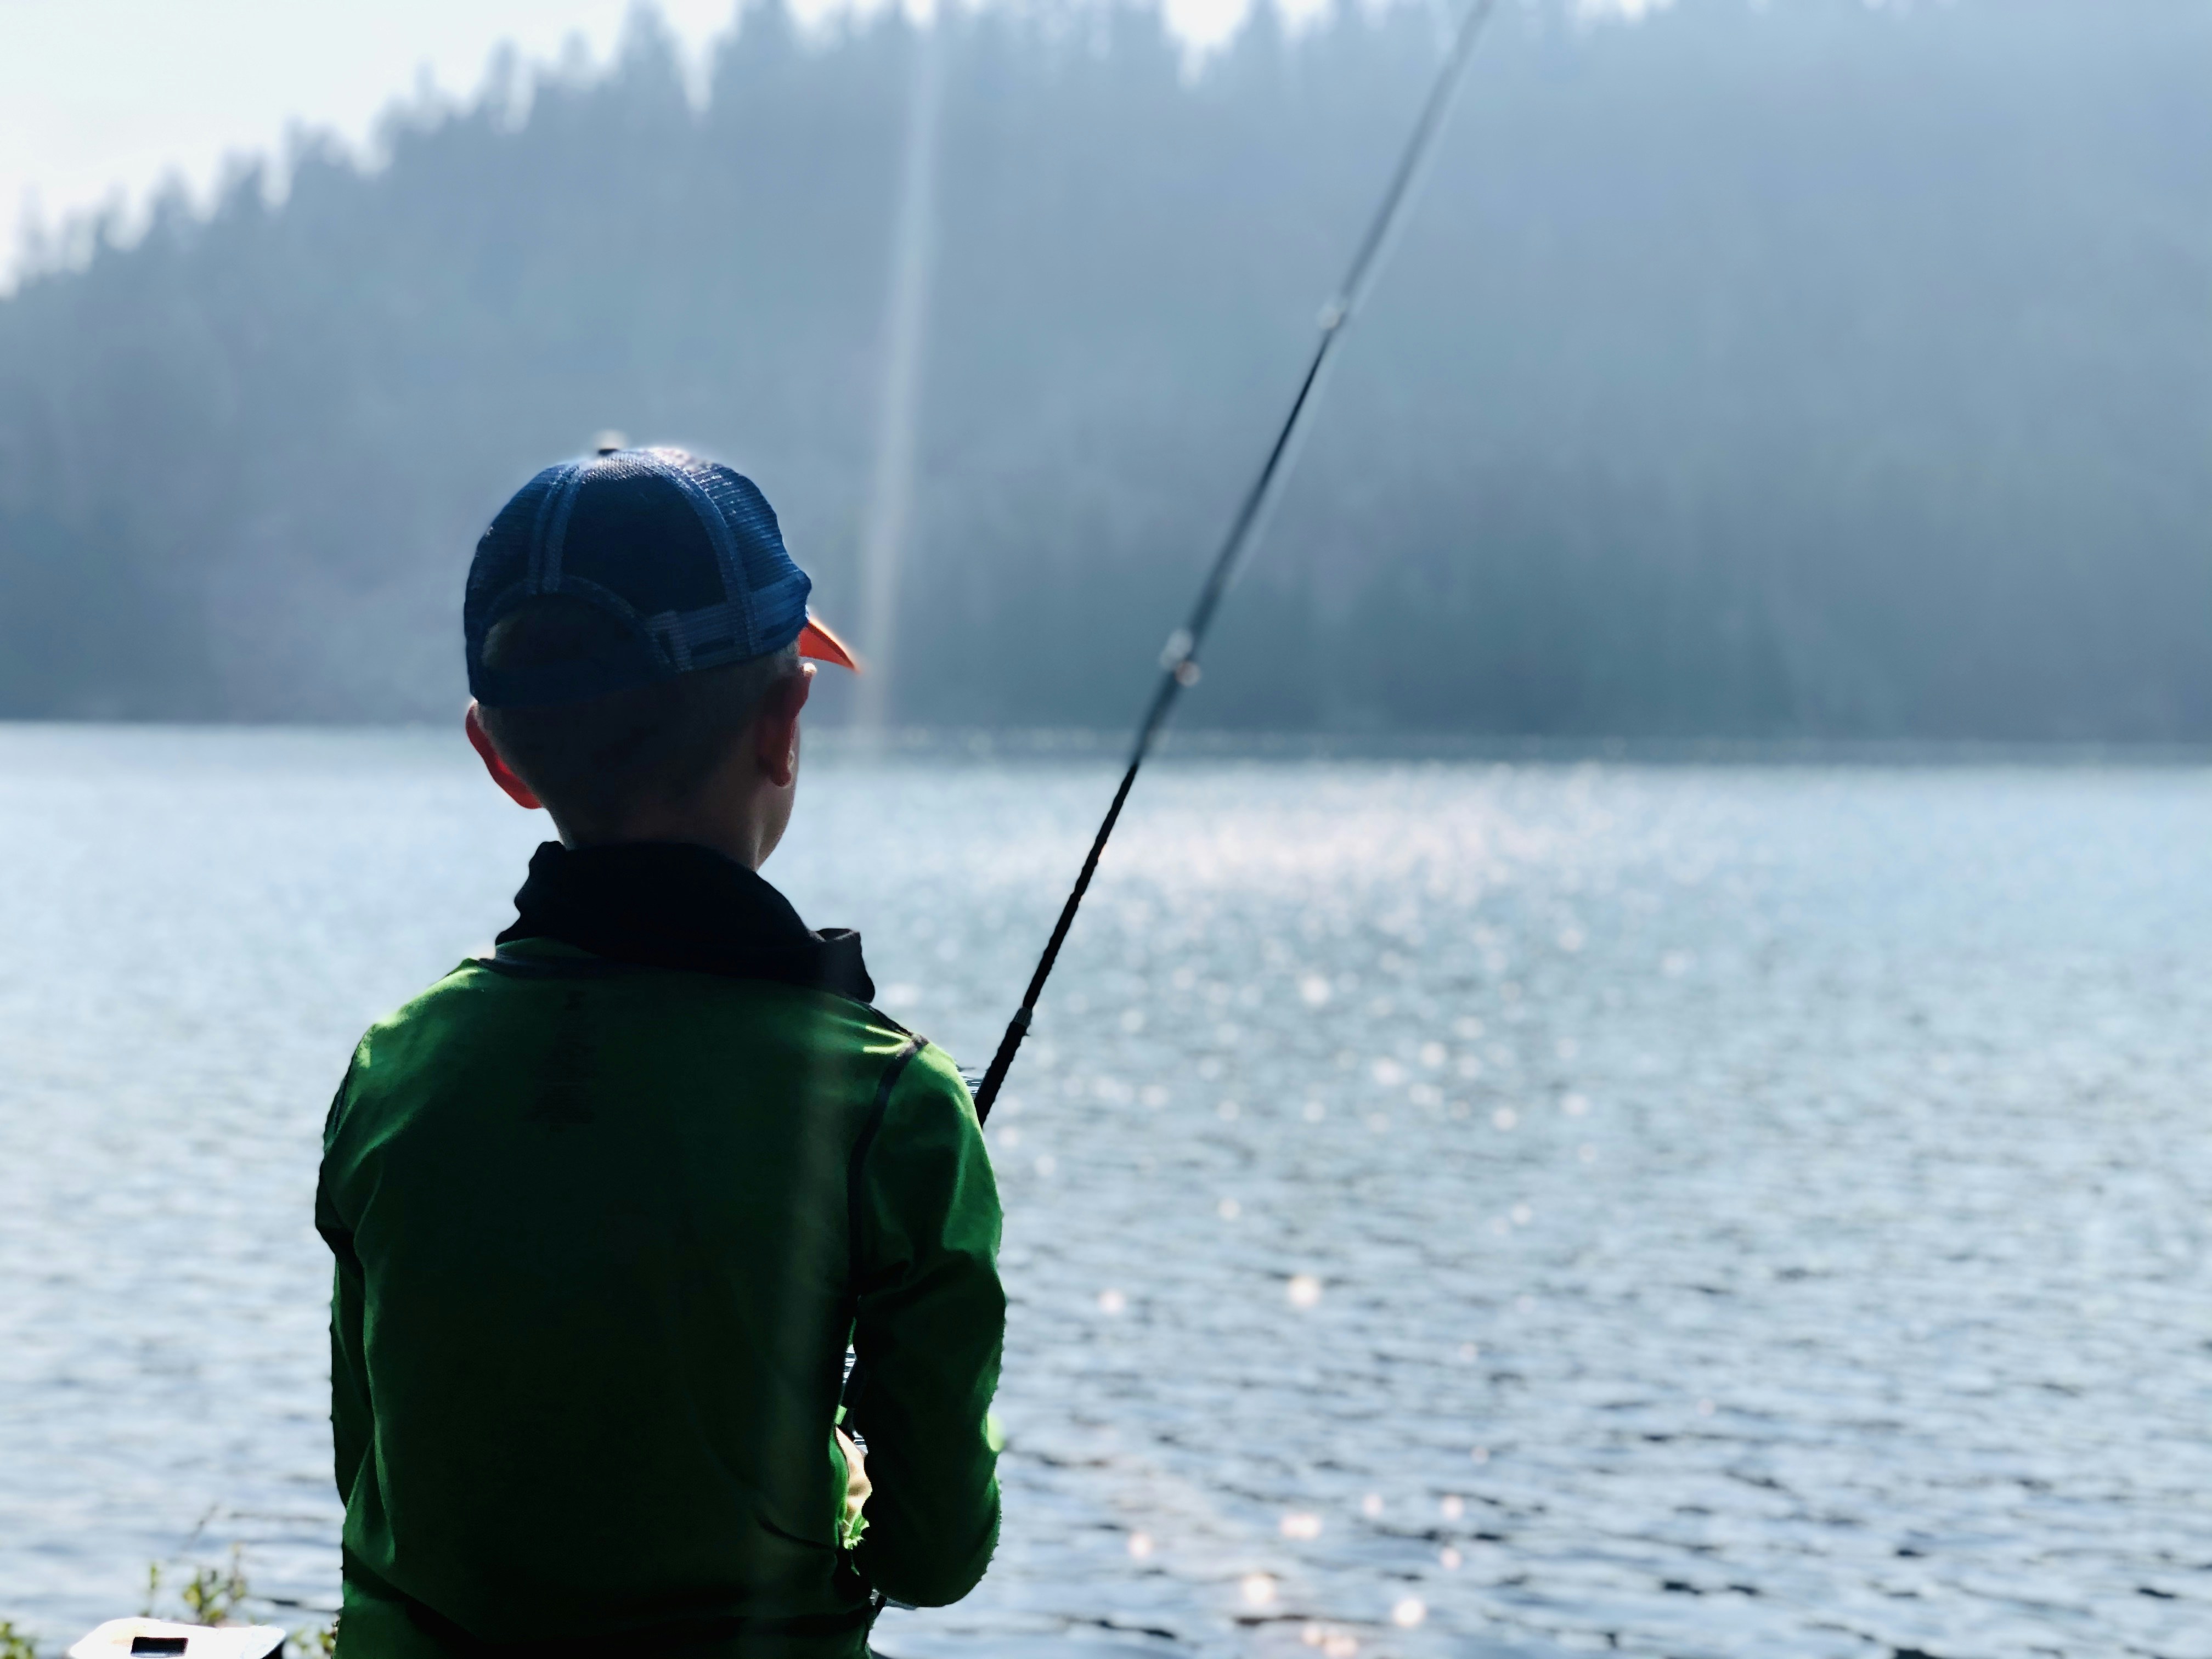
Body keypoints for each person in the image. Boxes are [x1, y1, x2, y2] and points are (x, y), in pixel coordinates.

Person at [314, 447, 1005, 1658]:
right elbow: (935, 1555)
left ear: (500, 757)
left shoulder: (394, 1071)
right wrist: (837, 1463)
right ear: (784, 728)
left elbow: (376, 1472)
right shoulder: (894, 1105)